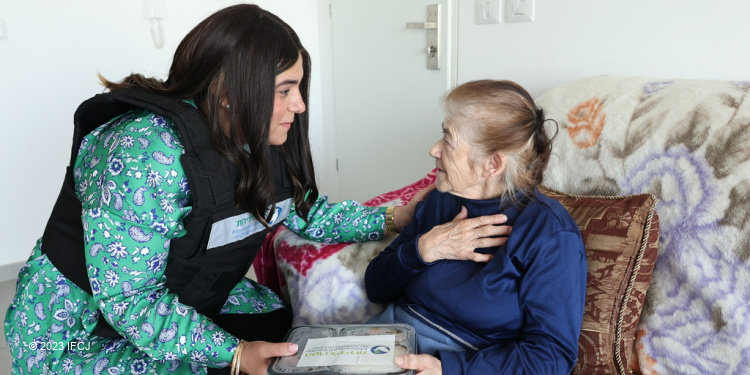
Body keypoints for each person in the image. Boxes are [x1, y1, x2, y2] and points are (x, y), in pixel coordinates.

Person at [1, 5, 470, 375]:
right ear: (229, 90)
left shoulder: (260, 136)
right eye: (285, 90)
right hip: (81, 331)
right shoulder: (143, 151)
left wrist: (394, 217)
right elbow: (129, 301)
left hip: (185, 293)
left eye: (300, 88)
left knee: (284, 336)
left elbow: (306, 213)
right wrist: (234, 353)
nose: (300, 105)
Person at [365, 80, 588, 375]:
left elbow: (552, 357)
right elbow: (376, 287)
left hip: (459, 361)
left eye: (448, 139)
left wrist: (449, 369)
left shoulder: (549, 234)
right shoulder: (440, 200)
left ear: (492, 164)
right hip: (389, 338)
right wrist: (424, 249)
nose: (433, 149)